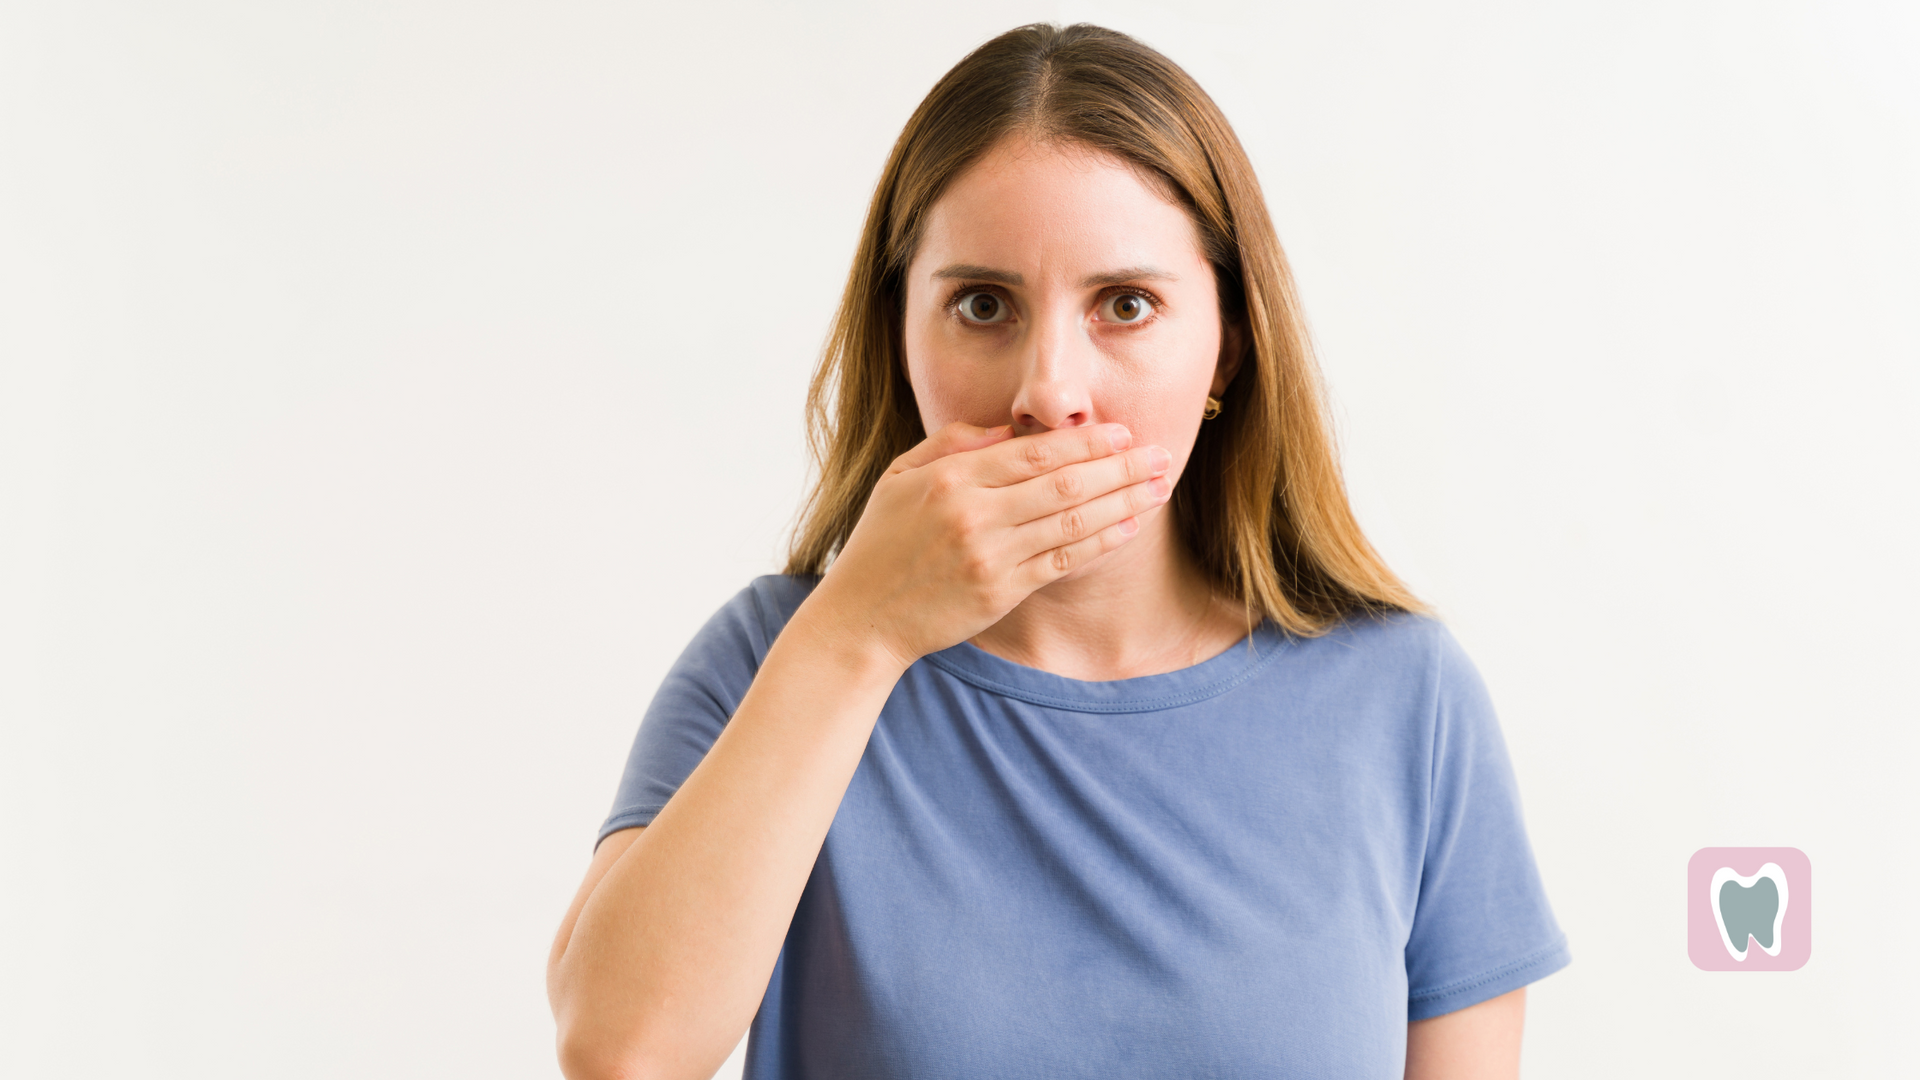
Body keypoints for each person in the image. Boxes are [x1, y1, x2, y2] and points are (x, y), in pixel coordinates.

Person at [546, 22, 1569, 1080]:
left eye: (1126, 306)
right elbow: (619, 1053)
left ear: (1228, 346)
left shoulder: (1406, 699)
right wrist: (859, 632)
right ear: (902, 336)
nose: (1048, 393)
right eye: (982, 306)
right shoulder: (776, 658)